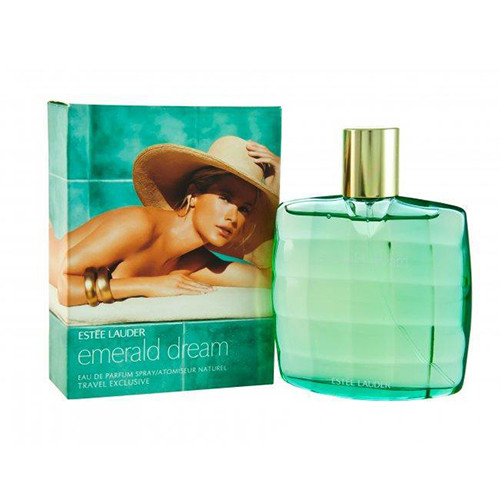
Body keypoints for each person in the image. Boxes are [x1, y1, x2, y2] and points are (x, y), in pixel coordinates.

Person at [49, 136, 280, 307]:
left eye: (244, 209)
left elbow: (268, 278)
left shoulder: (195, 263)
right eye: (225, 198)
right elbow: (66, 285)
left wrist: (280, 178)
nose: (233, 217)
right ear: (194, 194)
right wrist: (150, 285)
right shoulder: (138, 225)